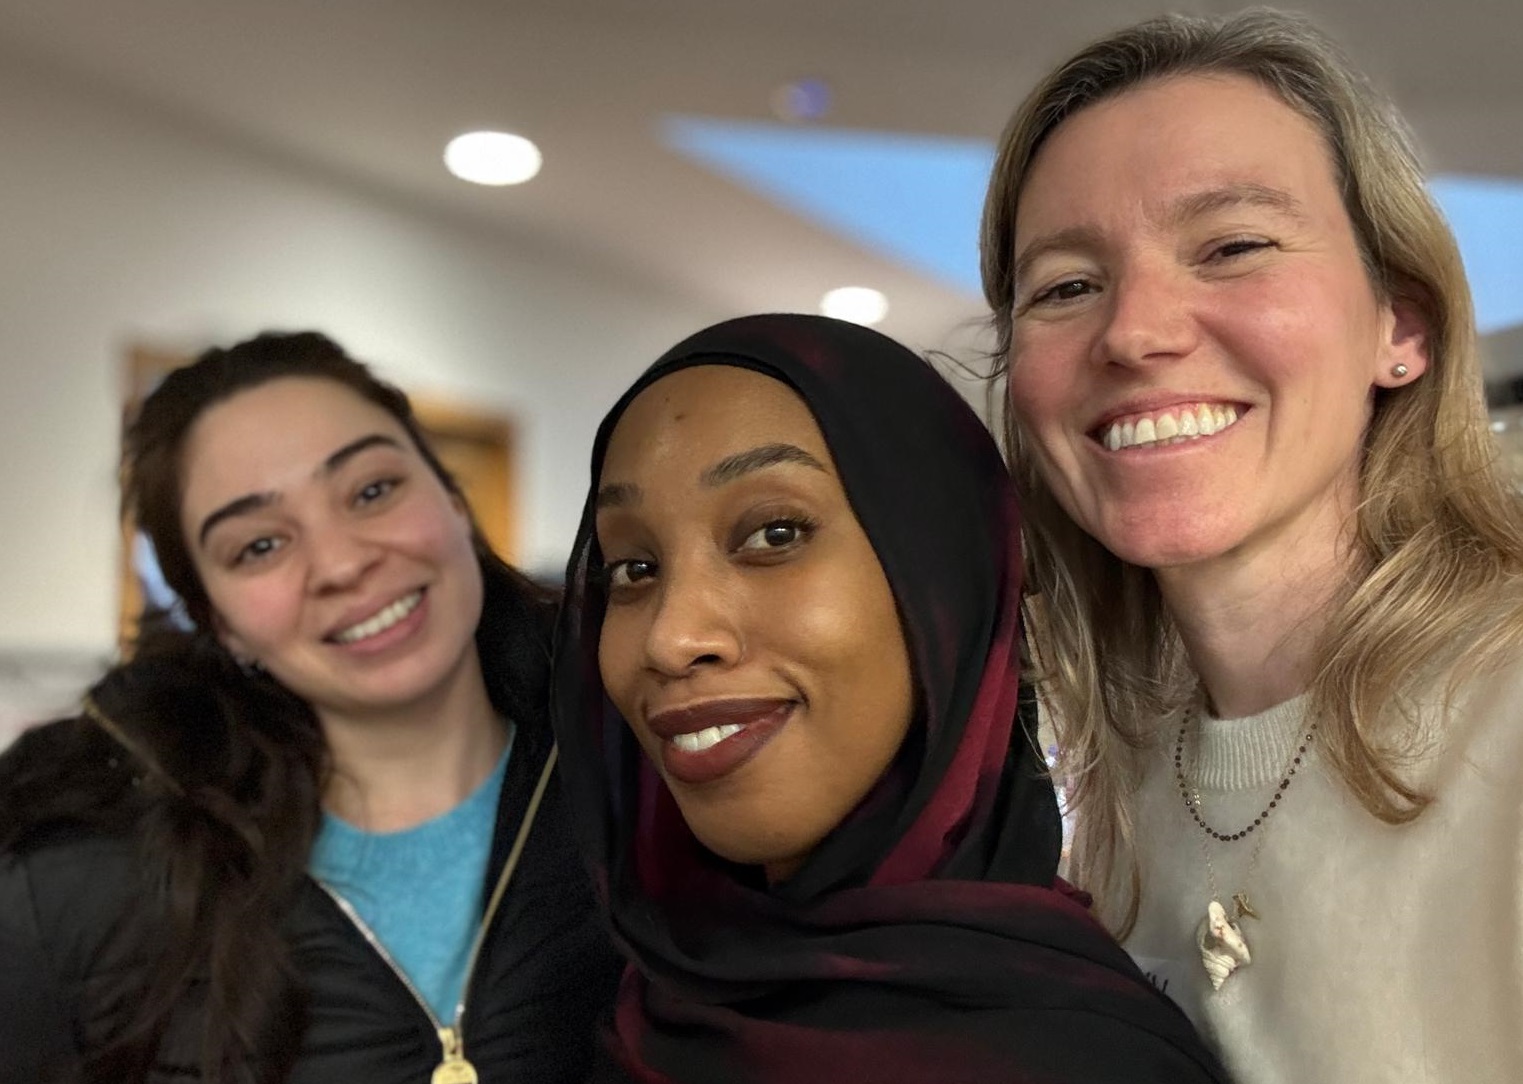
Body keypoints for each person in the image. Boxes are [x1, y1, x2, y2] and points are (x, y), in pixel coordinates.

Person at [981, 9, 1523, 1082]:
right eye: (1065, 285)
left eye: (1232, 247)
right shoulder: (1112, 773)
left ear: (1399, 326)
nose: (1133, 331)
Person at [551, 312, 1228, 1083]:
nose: (669, 638)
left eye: (773, 533)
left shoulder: (1085, 1058)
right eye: (632, 568)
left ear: (947, 583)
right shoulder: (645, 984)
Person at [0, 332, 619, 1083]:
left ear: (453, 502)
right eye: (259, 545)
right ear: (218, 621)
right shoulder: (82, 886)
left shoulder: (643, 783)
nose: (342, 562)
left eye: (370, 490)